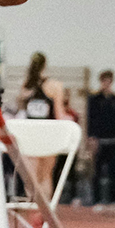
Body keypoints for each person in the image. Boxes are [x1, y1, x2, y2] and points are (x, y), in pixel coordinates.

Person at [14, 52, 69, 199]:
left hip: (30, 134)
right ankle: (43, 215)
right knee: (45, 176)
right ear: (45, 66)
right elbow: (59, 115)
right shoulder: (55, 86)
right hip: (47, 134)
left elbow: (21, 111)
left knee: (31, 178)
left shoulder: (26, 86)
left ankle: (32, 210)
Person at [85, 70, 115, 205]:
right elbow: (91, 119)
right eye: (104, 81)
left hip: (112, 139)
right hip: (99, 139)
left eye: (109, 81)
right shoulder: (94, 99)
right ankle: (96, 199)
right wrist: (91, 137)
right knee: (97, 170)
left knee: (114, 170)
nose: (106, 84)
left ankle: (114, 199)